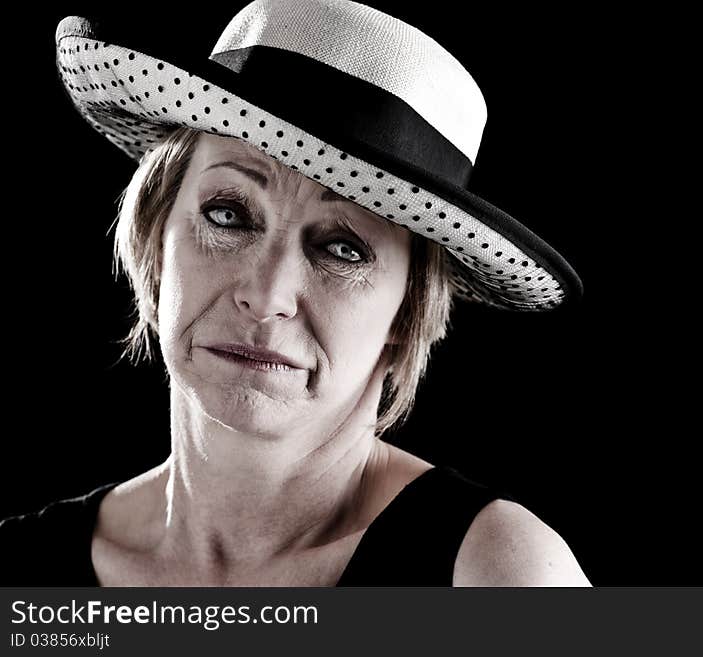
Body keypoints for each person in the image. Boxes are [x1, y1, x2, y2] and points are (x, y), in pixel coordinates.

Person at [0, 0, 588, 586]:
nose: (267, 294)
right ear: (155, 240)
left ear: (409, 312)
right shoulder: (19, 575)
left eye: (343, 249)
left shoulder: (498, 571)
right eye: (228, 215)